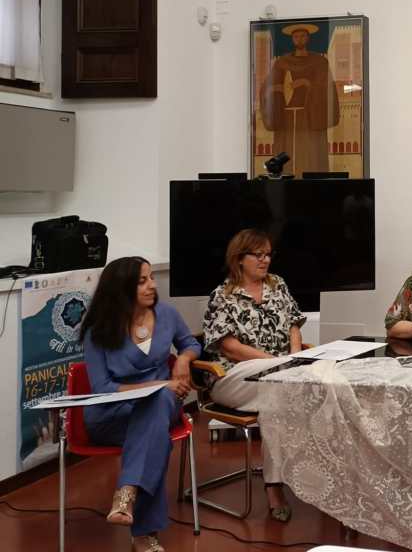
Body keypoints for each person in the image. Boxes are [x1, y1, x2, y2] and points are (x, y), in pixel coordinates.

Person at [81, 257, 201, 552]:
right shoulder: (98, 330)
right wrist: (160, 384)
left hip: (161, 405)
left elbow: (191, 343)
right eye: (142, 281)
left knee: (156, 407)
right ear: (121, 289)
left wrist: (183, 360)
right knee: (154, 434)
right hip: (112, 415)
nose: (152, 285)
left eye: (151, 278)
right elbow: (103, 389)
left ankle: (127, 493)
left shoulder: (167, 314)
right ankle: (144, 534)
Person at [201, 229, 306, 522]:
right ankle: (277, 485)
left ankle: (276, 484)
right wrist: (277, 362)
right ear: (239, 258)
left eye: (268, 254)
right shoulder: (222, 295)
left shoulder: (278, 285)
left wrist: (295, 357)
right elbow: (230, 348)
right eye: (258, 255)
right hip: (233, 376)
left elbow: (294, 325)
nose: (265, 260)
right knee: (278, 385)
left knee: (278, 396)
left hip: (278, 375)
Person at [259, 23, 339, 177]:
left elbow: (326, 88)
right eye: (296, 36)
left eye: (303, 36)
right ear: (292, 39)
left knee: (311, 158)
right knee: (285, 158)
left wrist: (306, 83)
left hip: (310, 117)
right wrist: (275, 89)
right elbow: (267, 87)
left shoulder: (320, 62)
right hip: (286, 119)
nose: (299, 39)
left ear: (308, 38)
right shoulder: (282, 62)